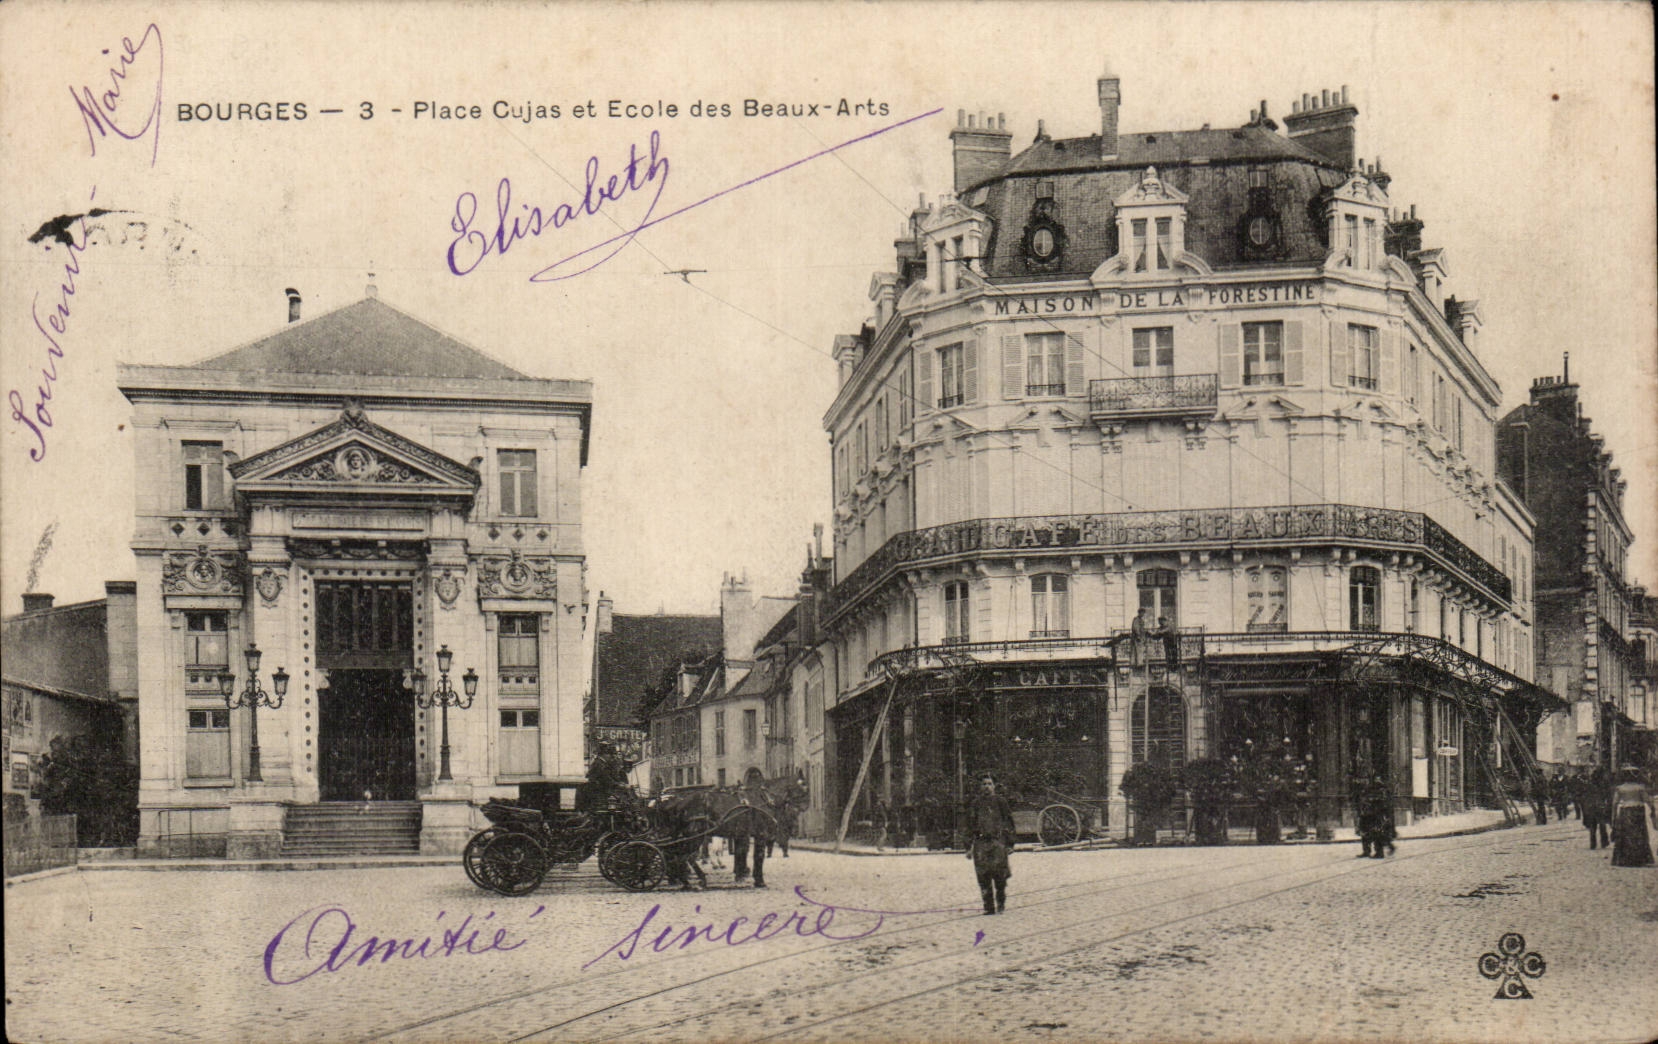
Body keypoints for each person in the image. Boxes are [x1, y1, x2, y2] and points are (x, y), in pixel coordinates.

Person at [966, 772, 1015, 915]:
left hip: (997, 842)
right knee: (983, 875)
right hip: (981, 843)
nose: (987, 787)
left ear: (994, 786)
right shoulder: (975, 803)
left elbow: (1008, 822)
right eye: (984, 784)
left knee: (1000, 875)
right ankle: (988, 906)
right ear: (980, 787)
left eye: (989, 784)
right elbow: (970, 825)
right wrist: (968, 847)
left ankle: (1000, 902)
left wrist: (1010, 844)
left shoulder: (1001, 802)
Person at [1609, 767, 1656, 867]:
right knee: (1638, 834)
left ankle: (1624, 859)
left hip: (1625, 811)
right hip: (1637, 812)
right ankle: (1639, 858)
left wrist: (1614, 816)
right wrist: (1652, 808)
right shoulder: (1640, 788)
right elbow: (1647, 800)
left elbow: (1615, 803)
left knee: (1626, 834)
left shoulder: (1620, 788)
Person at [1581, 766, 1612, 850]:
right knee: (1602, 824)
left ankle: (1593, 843)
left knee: (1592, 825)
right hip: (1600, 805)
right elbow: (1608, 794)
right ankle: (1604, 841)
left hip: (1591, 805)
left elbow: (1585, 795)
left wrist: (1586, 807)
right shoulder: (1604, 783)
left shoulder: (1589, 783)